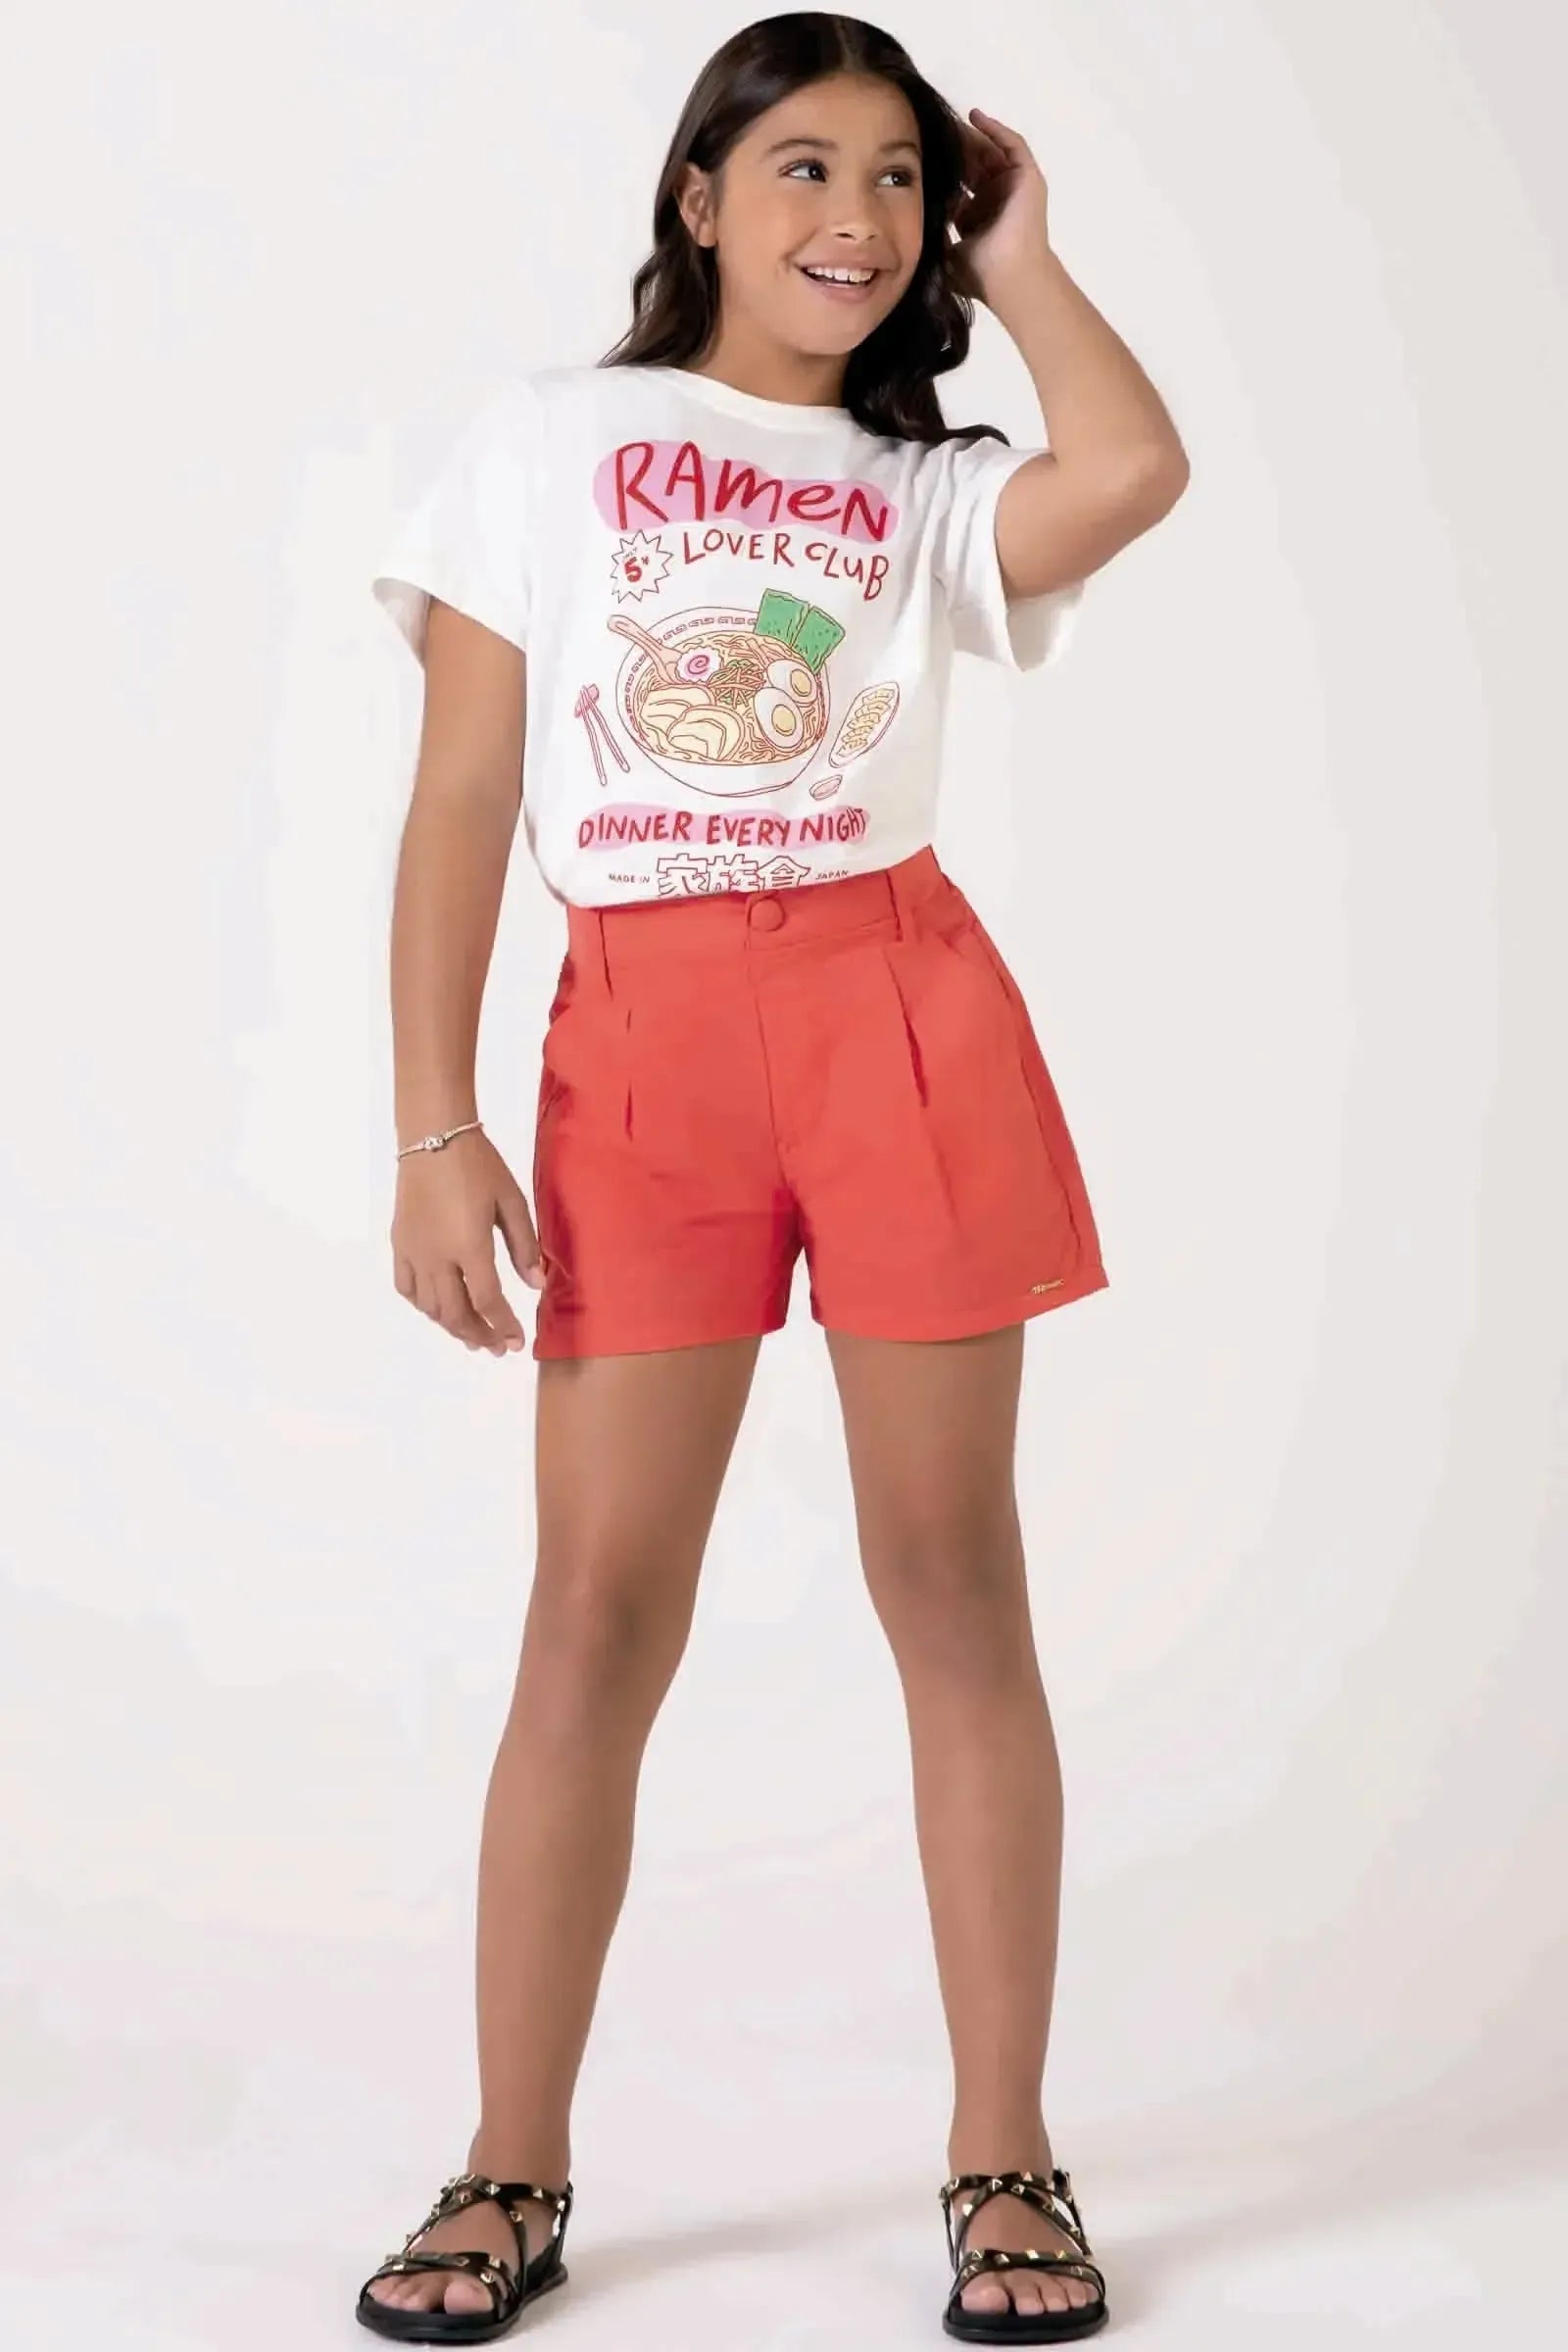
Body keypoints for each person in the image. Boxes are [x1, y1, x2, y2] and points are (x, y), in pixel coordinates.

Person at [355, 12, 1187, 2343]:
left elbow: (1135, 467)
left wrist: (1024, 258)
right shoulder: (550, 441)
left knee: (950, 1577)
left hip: (894, 1011)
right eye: (801, 165)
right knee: (595, 1611)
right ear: (697, 197)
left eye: (899, 178)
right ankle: (509, 2164)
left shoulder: (926, 485)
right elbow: (459, 795)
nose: (855, 216)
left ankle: (1003, 2159)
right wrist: (433, 1122)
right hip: (638, 1041)